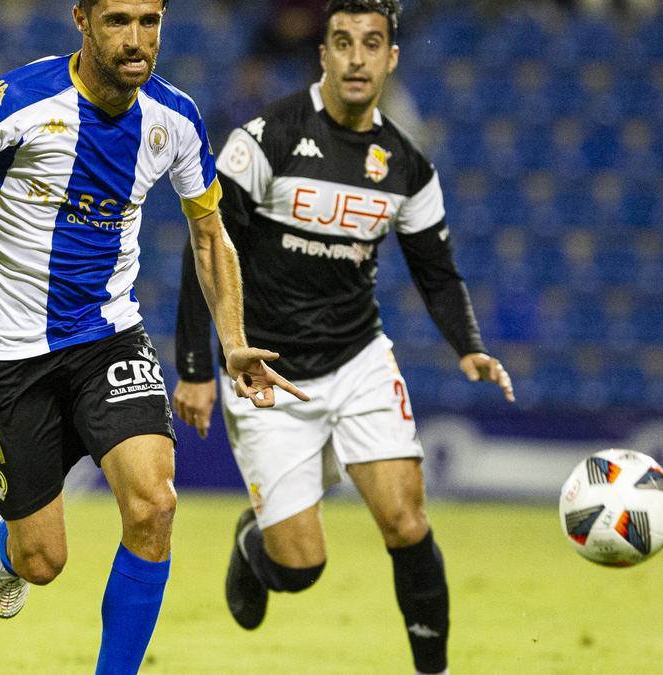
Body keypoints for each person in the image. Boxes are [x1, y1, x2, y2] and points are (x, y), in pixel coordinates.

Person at [0, 0, 306, 671]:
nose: (137, 40)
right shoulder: (17, 100)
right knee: (42, 559)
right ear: (82, 21)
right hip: (3, 348)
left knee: (155, 503)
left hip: (106, 334)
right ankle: (9, 542)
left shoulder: (176, 119)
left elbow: (209, 234)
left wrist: (232, 342)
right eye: (118, 21)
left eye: (150, 21)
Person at [172, 2, 514, 674]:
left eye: (372, 44)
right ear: (322, 54)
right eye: (342, 43)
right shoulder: (264, 138)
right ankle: (254, 544)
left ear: (392, 59)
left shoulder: (407, 165)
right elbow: (206, 250)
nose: (357, 58)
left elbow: (436, 270)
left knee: (406, 520)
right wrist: (195, 366)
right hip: (267, 369)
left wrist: (467, 343)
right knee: (300, 568)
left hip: (359, 360)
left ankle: (433, 668)